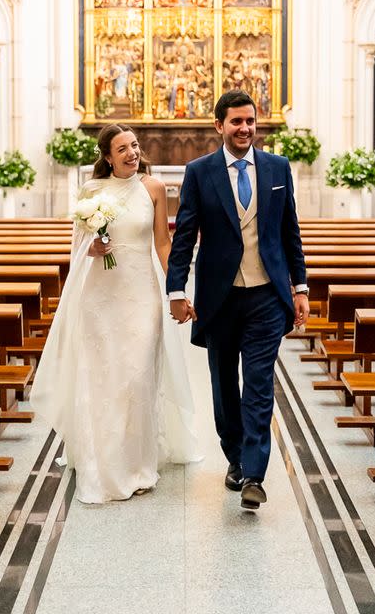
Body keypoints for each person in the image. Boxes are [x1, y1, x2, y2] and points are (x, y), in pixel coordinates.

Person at [31, 124, 199, 503]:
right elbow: (78, 246)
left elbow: (162, 241)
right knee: (104, 377)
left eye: (134, 146)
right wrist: (94, 247)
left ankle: (137, 463)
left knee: (137, 377)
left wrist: (177, 289)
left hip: (142, 292)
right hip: (101, 296)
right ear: (107, 156)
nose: (131, 153)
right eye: (122, 148)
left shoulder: (153, 187)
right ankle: (102, 460)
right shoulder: (91, 192)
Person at [166, 90, 309, 510]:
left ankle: (254, 473)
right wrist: (177, 290)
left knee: (260, 386)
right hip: (220, 297)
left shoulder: (278, 168)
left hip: (267, 295)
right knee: (225, 385)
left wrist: (299, 287)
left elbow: (290, 232)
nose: (245, 128)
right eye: (236, 122)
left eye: (250, 121)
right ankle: (235, 456)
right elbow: (184, 236)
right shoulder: (199, 172)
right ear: (219, 126)